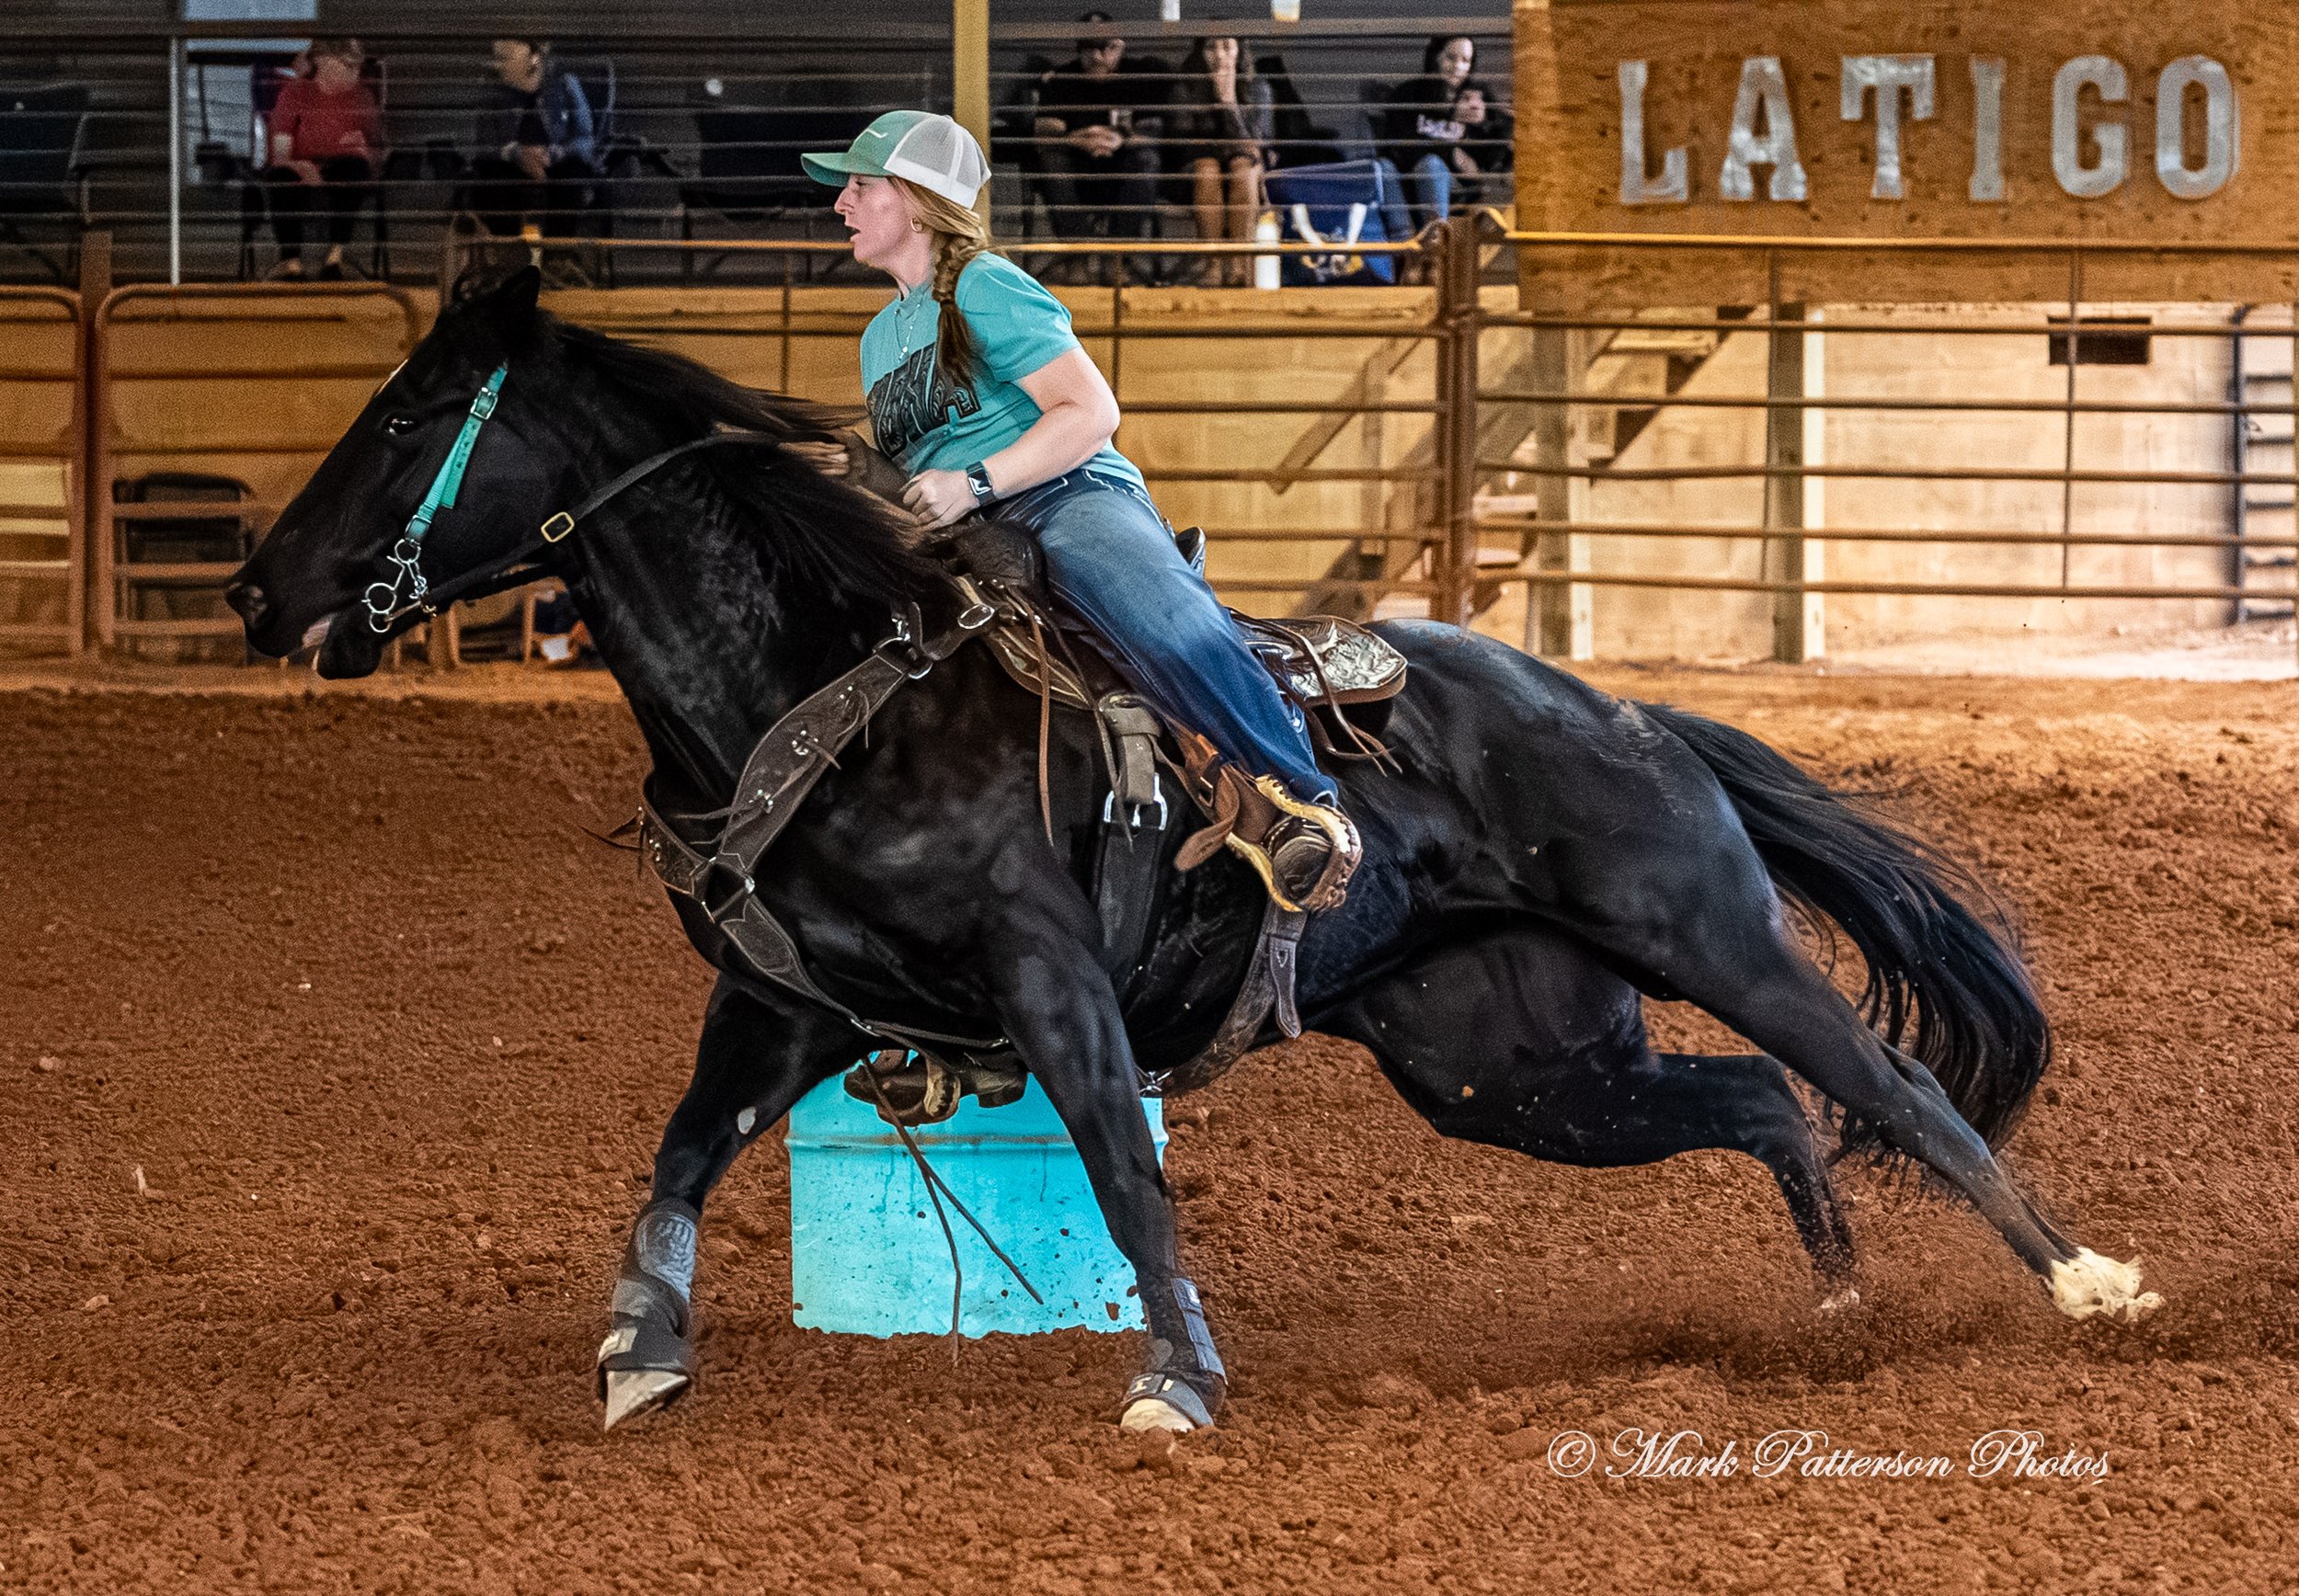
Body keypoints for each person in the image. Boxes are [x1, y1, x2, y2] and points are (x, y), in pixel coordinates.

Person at [799, 110, 1359, 912]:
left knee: (1164, 622)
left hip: (1065, 498)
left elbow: (1090, 411)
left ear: (917, 201)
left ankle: (1306, 806)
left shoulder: (985, 285)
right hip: (964, 534)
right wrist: (862, 472)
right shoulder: (881, 334)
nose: (841, 204)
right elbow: (929, 465)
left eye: (860, 186)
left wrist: (978, 483)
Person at [1030, 13, 1162, 272]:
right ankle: (1078, 254)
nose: (1095, 55)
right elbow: (1045, 130)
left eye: (1102, 47)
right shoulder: (1063, 79)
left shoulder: (1136, 76)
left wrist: (1120, 139)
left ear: (1118, 46)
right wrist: (1077, 139)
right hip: (1078, 172)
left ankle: (1118, 257)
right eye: (1087, 47)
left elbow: (1153, 130)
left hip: (1123, 172)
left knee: (1148, 159)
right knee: (1050, 160)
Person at [260, 38, 383, 281]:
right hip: (301, 166)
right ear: (324, 63)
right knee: (280, 179)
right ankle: (292, 263)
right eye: (347, 66)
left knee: (355, 169)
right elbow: (280, 151)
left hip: (343, 167)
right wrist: (300, 166)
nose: (354, 75)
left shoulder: (362, 97)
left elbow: (380, 150)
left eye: (357, 68)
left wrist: (364, 150)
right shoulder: (296, 93)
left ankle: (335, 258)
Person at [468, 40, 599, 256]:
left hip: (556, 165)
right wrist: (517, 153)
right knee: (492, 178)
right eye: (496, 58)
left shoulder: (565, 85)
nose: (496, 65)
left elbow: (585, 139)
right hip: (510, 167)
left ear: (534, 58)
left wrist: (554, 154)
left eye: (504, 58)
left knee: (572, 175)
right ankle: (509, 258)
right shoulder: (492, 90)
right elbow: (483, 144)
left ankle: (558, 259)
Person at [1376, 35, 1510, 242]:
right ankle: (1402, 244)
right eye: (1450, 58)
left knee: (1432, 165)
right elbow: (1398, 145)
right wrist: (1451, 152)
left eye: (1465, 61)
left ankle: (1435, 242)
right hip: (1408, 176)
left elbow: (1496, 144)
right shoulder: (1410, 93)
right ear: (1435, 58)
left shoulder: (1476, 97)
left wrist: (1483, 127)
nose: (1458, 66)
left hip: (1451, 183)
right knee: (1383, 167)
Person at [1170, 35, 1273, 287]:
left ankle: (1239, 266)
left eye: (1226, 46)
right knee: (1208, 167)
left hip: (1244, 170)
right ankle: (1212, 265)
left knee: (1242, 168)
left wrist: (1228, 102)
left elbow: (1256, 144)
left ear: (1239, 52)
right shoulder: (1185, 86)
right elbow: (1185, 139)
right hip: (1197, 174)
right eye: (1211, 47)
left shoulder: (1258, 86)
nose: (1219, 54)